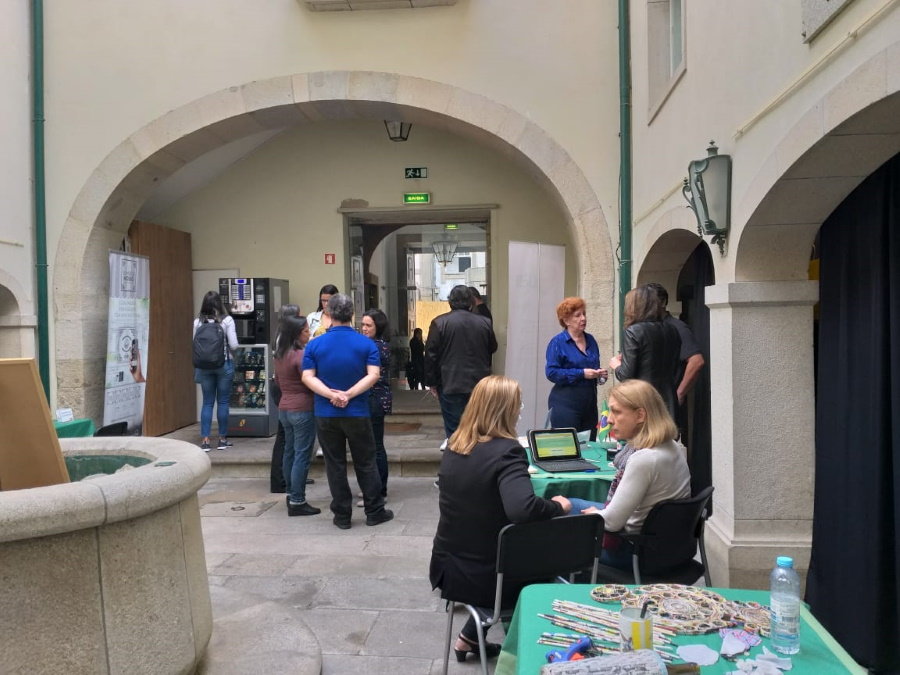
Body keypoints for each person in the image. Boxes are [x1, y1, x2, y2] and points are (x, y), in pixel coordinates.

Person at [430, 375, 568, 663]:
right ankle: (537, 653)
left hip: (449, 566)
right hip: (486, 578)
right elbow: (522, 509)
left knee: (509, 549)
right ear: (506, 410)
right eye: (518, 404)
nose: (519, 410)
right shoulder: (507, 451)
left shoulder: (456, 444)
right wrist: (557, 506)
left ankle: (468, 638)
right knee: (561, 565)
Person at [556, 379, 691, 569]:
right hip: (666, 547)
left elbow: (612, 523)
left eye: (616, 412)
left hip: (634, 551)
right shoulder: (672, 446)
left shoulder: (644, 459)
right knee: (569, 505)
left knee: (559, 515)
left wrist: (597, 514)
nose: (609, 419)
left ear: (640, 415)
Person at [302, 294, 393, 529]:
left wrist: (331, 395)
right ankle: (374, 511)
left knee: (335, 464)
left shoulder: (314, 344)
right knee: (366, 462)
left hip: (326, 412)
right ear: (352, 314)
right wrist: (349, 395)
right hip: (358, 411)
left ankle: (342, 515)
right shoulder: (366, 344)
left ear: (329, 314)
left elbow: (307, 377)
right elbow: (373, 375)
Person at [424, 285, 498, 439]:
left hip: (450, 382)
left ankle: (457, 453)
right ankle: (476, 453)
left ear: (450, 302)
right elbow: (493, 347)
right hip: (479, 382)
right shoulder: (484, 322)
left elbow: (431, 355)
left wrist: (432, 382)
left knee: (454, 430)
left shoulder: (439, 322)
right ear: (471, 302)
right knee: (478, 428)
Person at [609, 285, 682, 419]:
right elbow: (677, 367)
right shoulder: (672, 330)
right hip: (669, 400)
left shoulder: (634, 331)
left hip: (643, 400)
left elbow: (626, 375)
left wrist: (616, 365)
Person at [273, 315, 321, 516]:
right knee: (302, 455)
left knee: (289, 453)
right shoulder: (300, 355)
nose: (309, 334)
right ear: (296, 334)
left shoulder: (280, 354)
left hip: (284, 408)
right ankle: (298, 500)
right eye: (306, 331)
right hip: (302, 408)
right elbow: (310, 381)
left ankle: (291, 494)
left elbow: (278, 381)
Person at [545, 297, 607, 440]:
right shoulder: (557, 342)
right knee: (568, 445)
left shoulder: (591, 340)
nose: (583, 318)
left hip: (589, 405)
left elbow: (594, 367)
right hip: (565, 404)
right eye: (578, 315)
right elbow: (551, 372)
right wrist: (581, 373)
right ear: (566, 320)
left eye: (584, 314)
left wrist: (600, 375)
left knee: (589, 446)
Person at [645, 282, 705, 408]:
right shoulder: (647, 328)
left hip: (667, 402)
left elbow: (696, 361)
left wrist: (679, 393)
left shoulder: (677, 327)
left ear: (663, 302)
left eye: (650, 301)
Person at [193, 290, 239, 451]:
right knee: (223, 402)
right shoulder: (227, 320)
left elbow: (194, 344)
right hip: (224, 365)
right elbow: (234, 345)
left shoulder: (197, 322)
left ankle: (205, 441)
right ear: (220, 303)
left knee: (207, 402)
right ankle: (222, 439)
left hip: (204, 366)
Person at [360, 308, 392, 505]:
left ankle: (378, 490)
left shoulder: (377, 347)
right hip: (371, 398)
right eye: (362, 324)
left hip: (375, 399)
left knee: (375, 446)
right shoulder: (371, 344)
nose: (364, 328)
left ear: (378, 327)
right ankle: (374, 487)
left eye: (368, 325)